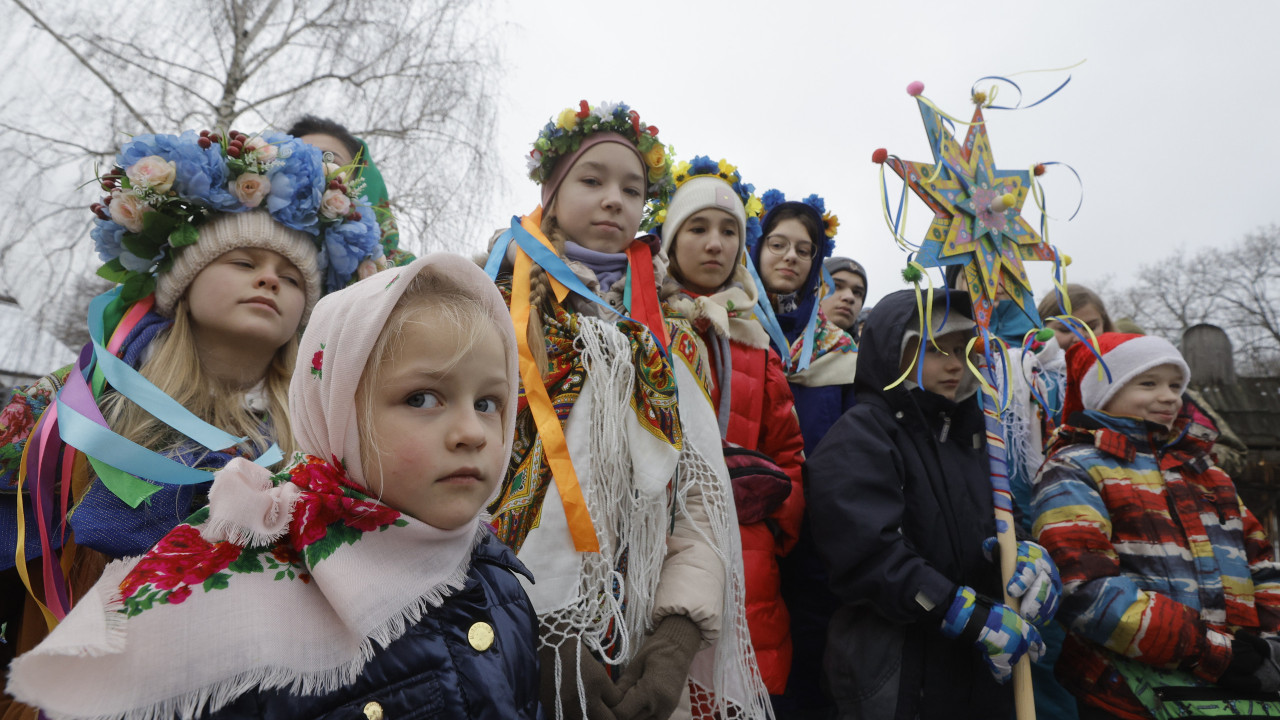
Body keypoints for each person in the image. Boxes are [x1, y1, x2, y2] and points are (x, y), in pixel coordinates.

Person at [8, 254, 543, 719]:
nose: (473, 432)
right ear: (336, 412)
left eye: (489, 403)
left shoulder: (501, 578)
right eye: (423, 398)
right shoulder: (244, 591)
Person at [0, 129, 382, 719]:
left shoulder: (320, 435)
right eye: (244, 260)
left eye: (292, 275)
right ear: (183, 281)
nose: (270, 279)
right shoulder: (88, 400)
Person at [484, 101, 768, 719]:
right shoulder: (496, 309)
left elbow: (697, 494)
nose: (614, 199)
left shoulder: (670, 335)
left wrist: (674, 641)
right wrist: (545, 637)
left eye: (632, 188)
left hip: (635, 629)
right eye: (592, 180)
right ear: (551, 194)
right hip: (499, 624)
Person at [808, 288, 1057, 719]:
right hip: (897, 664)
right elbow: (866, 553)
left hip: (977, 665)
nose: (954, 363)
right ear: (892, 350)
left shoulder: (974, 434)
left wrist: (1025, 556)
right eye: (934, 348)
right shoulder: (861, 434)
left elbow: (1001, 519)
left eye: (962, 348)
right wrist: (955, 608)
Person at [1033, 333, 1280, 720]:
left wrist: (1270, 648)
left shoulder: (1207, 472)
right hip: (1125, 693)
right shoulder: (1075, 467)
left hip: (1236, 687)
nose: (1169, 397)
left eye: (1175, 385)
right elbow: (1084, 586)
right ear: (1104, 392)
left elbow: (1262, 565)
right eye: (1148, 383)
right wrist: (1212, 652)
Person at [655, 157, 806, 701]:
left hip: (747, 555)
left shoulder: (756, 345)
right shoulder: (642, 326)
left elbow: (788, 450)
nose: (714, 244)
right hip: (659, 543)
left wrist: (771, 530)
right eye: (697, 229)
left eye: (728, 232)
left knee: (740, 686)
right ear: (670, 240)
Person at [287, 114, 414, 273]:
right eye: (298, 158)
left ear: (360, 181)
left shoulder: (406, 276)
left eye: (327, 159)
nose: (311, 168)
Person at [819, 257, 867, 336]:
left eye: (857, 293)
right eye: (836, 286)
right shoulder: (791, 343)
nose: (849, 297)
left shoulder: (864, 348)